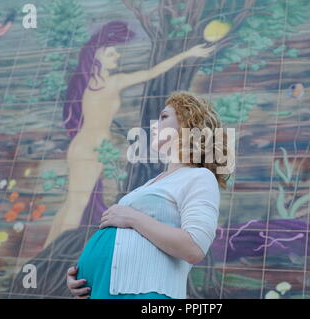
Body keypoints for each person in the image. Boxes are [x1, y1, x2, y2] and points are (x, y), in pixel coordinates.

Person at [43, 20, 216, 248]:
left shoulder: (87, 83)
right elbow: (152, 72)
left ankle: (48, 251)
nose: (116, 57)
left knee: (71, 204)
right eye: (111, 52)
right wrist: (188, 53)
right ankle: (52, 254)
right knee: (77, 205)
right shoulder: (112, 82)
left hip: (87, 147)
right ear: (98, 55)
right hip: (89, 149)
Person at [66, 91, 233, 299]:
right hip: (102, 290)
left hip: (144, 294)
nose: (154, 125)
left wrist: (131, 217)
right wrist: (82, 274)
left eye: (164, 117)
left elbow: (194, 247)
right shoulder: (152, 183)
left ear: (190, 124)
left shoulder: (199, 177)